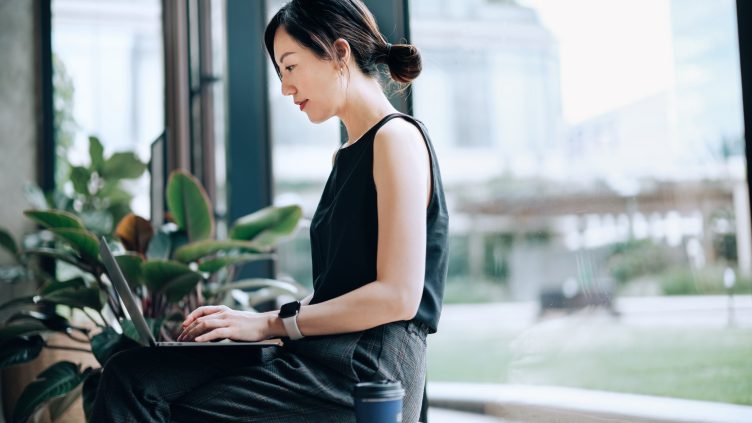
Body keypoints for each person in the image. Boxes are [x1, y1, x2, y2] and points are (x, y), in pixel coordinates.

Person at [89, 0, 448, 421]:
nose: (285, 87)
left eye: (290, 66)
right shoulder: (348, 155)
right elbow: (341, 287)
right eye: (281, 73)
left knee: (150, 395)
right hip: (325, 356)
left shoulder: (396, 140)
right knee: (132, 375)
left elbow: (398, 297)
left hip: (367, 372)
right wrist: (249, 326)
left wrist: (271, 324)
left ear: (339, 53)